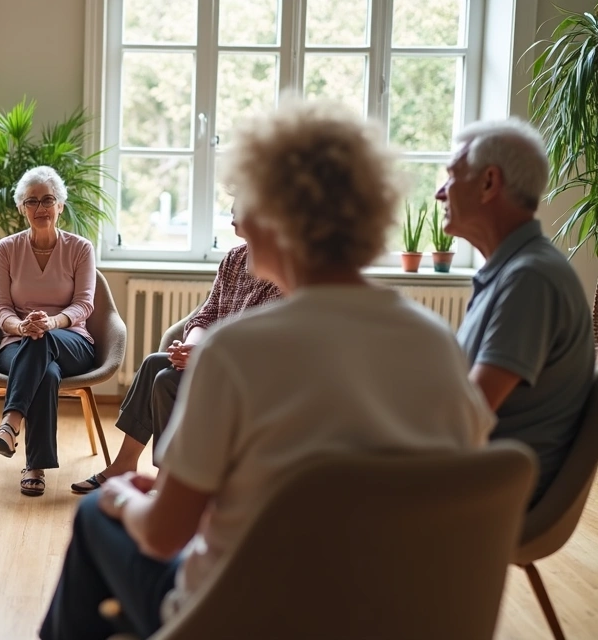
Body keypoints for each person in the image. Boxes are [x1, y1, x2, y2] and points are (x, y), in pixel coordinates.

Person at [40, 98, 495, 640]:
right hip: (382, 614)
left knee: (98, 516)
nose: (237, 214)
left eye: (244, 197)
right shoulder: (436, 344)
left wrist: (120, 497)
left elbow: (163, 536)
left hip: (240, 615)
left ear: (274, 212)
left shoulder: (235, 353)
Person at [435, 118, 594, 506]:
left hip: (493, 493)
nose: (440, 193)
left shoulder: (531, 279)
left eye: (451, 176)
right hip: (478, 475)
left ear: (489, 183)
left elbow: (470, 411)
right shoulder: (514, 270)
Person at [72, 216, 281, 494]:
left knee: (166, 380)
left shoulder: (279, 270)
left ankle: (168, 479)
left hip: (243, 375)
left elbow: (258, 344)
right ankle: (125, 464)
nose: (232, 216)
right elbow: (206, 314)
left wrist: (203, 356)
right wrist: (189, 347)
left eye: (238, 209)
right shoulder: (234, 258)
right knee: (152, 365)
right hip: (214, 358)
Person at [0, 166, 97, 497]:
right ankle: (35, 466)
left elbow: (83, 306)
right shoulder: (6, 249)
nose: (41, 208)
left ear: (61, 205)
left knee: (43, 341)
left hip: (73, 340)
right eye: (32, 201)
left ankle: (10, 424)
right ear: (21, 208)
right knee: (46, 372)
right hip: (18, 342)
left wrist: (51, 323)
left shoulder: (80, 249)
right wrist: (21, 326)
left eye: (48, 199)